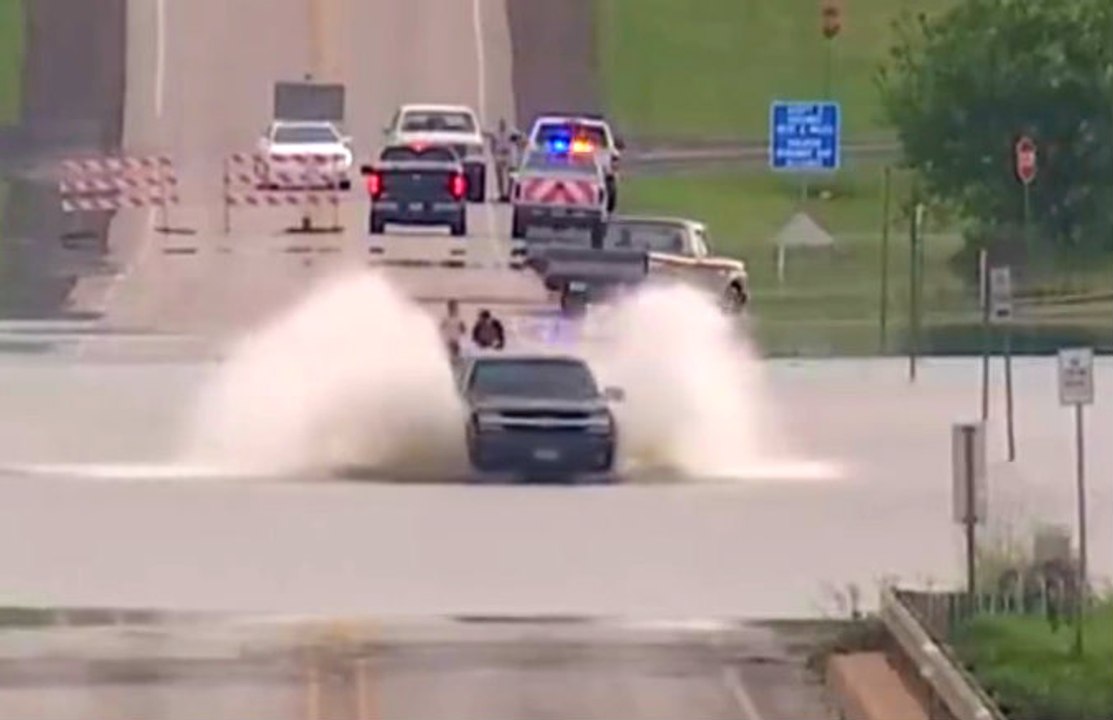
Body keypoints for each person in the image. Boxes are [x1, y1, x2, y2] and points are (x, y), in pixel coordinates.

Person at [490, 118, 519, 202]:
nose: (502, 125)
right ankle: (501, 194)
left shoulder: (511, 132)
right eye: (501, 124)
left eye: (504, 124)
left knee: (513, 174)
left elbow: (519, 140)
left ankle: (512, 193)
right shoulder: (495, 132)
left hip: (510, 155)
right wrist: (494, 154)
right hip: (499, 155)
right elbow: (492, 144)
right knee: (499, 175)